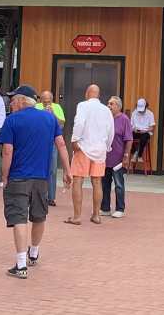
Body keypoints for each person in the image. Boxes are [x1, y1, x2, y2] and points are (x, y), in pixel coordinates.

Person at [0, 84, 72, 279]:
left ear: (23, 100)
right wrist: (67, 169)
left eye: (13, 100)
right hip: (42, 177)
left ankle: (21, 264)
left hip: (18, 176)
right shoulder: (49, 118)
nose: (11, 104)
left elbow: (7, 151)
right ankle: (34, 252)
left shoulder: (12, 121)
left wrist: (4, 175)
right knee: (39, 216)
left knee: (19, 218)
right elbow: (61, 144)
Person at [67, 84, 114, 225]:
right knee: (97, 181)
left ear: (87, 93)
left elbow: (79, 123)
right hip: (99, 149)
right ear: (98, 95)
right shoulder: (106, 110)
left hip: (83, 146)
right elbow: (111, 130)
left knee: (78, 180)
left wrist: (74, 139)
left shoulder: (82, 105)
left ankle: (76, 216)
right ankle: (96, 215)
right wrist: (107, 146)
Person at [99, 96, 134, 218]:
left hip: (118, 158)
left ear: (118, 107)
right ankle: (105, 208)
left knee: (119, 184)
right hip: (105, 158)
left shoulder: (124, 119)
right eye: (108, 103)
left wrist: (126, 156)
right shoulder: (105, 119)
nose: (108, 105)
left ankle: (120, 208)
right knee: (105, 184)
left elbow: (129, 139)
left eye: (111, 104)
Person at [34, 90, 66, 206]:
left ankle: (51, 197)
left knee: (52, 169)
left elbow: (61, 125)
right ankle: (37, 196)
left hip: (52, 142)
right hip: (37, 142)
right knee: (37, 168)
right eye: (44, 102)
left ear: (52, 100)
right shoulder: (36, 107)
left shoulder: (57, 107)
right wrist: (42, 113)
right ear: (40, 100)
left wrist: (53, 114)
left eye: (49, 102)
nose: (47, 104)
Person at [130, 98, 155, 167]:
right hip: (136, 131)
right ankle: (135, 153)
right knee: (128, 137)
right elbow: (131, 125)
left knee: (144, 138)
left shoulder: (150, 113)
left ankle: (139, 155)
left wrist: (145, 130)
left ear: (146, 106)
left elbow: (152, 127)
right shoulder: (134, 113)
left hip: (145, 132)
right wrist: (134, 129)